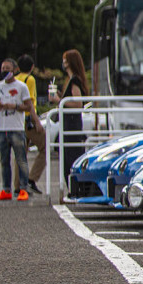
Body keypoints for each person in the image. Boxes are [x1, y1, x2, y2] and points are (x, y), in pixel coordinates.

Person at [0, 58, 33, 201]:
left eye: (7, 69)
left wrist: (14, 106)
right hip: (2, 128)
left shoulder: (21, 87)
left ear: (14, 70)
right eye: (3, 68)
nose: (4, 71)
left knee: (21, 160)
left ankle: (23, 189)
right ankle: (6, 189)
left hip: (17, 128)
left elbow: (28, 106)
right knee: (4, 161)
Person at [16, 54, 45, 194]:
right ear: (32, 67)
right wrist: (37, 121)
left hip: (18, 120)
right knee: (45, 148)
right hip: (29, 120)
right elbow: (30, 102)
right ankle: (32, 179)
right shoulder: (30, 79)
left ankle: (18, 186)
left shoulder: (15, 79)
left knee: (20, 154)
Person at [58, 49, 88, 185]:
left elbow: (78, 103)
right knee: (68, 157)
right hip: (70, 123)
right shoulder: (73, 80)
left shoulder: (74, 80)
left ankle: (74, 187)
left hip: (71, 125)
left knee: (70, 158)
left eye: (65, 60)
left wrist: (60, 101)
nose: (63, 62)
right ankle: (73, 187)